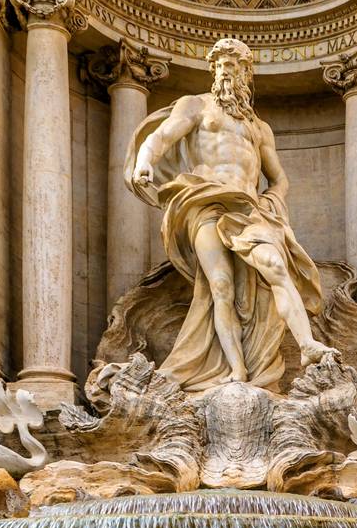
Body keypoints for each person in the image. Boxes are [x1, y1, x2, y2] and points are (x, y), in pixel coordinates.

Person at [126, 37, 335, 391]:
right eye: (220, 64)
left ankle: (307, 345)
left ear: (245, 73)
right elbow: (161, 137)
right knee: (219, 285)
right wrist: (145, 161)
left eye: (233, 65)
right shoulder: (196, 106)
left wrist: (272, 200)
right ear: (213, 70)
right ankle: (236, 371)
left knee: (276, 266)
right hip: (204, 202)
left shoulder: (259, 128)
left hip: (248, 208)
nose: (226, 70)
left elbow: (280, 178)